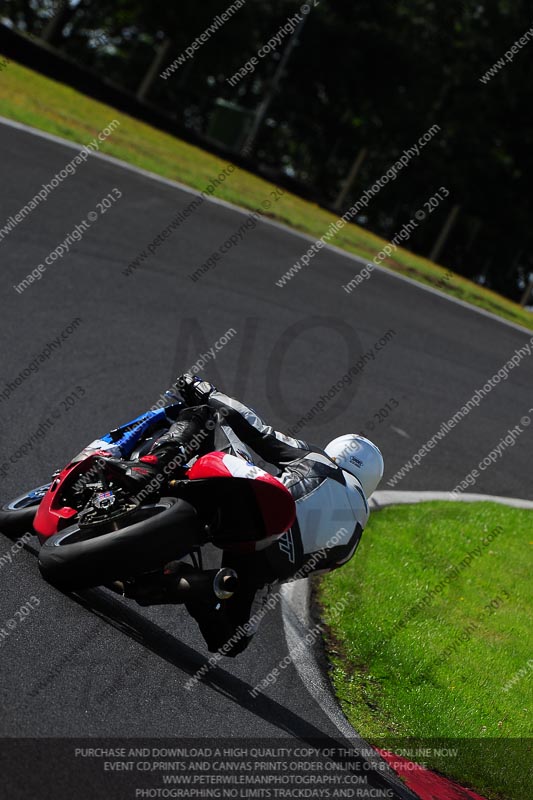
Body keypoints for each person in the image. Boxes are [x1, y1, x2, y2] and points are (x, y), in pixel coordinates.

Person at [104, 374, 384, 656]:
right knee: (232, 640)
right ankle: (190, 584)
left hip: (250, 511)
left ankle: (152, 467)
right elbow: (303, 570)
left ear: (336, 453)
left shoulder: (320, 462)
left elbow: (257, 430)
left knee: (207, 416)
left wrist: (206, 391)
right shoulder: (352, 544)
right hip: (263, 566)